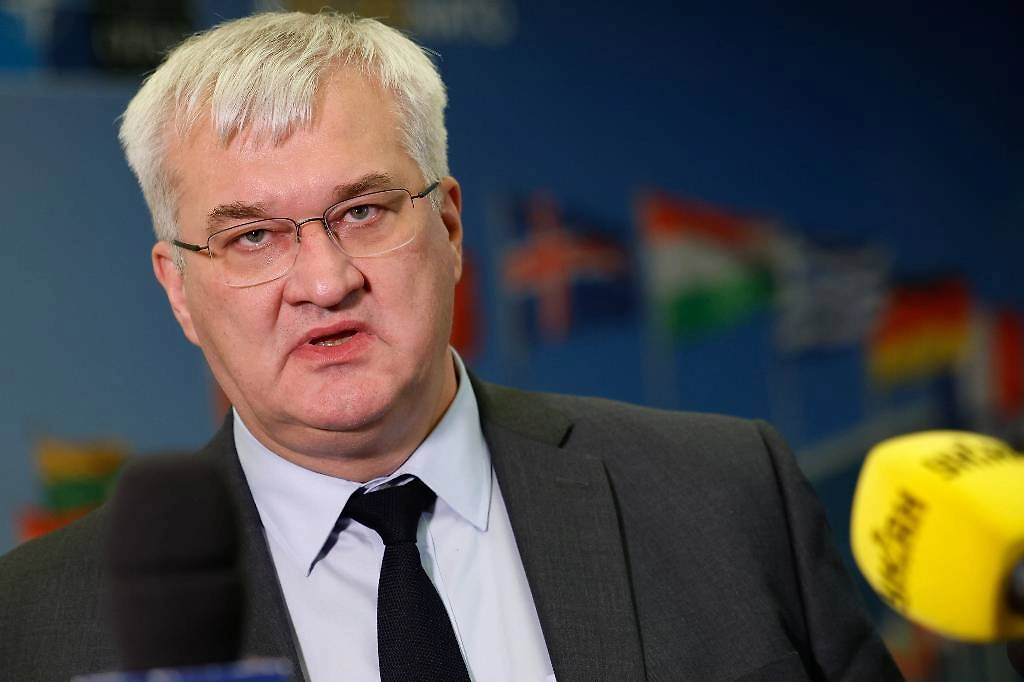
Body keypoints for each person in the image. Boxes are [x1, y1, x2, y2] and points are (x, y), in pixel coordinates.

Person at [0, 11, 903, 682]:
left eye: (364, 211)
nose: (325, 281)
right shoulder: (34, 625)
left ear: (451, 226)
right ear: (178, 290)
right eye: (253, 237)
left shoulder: (728, 497)